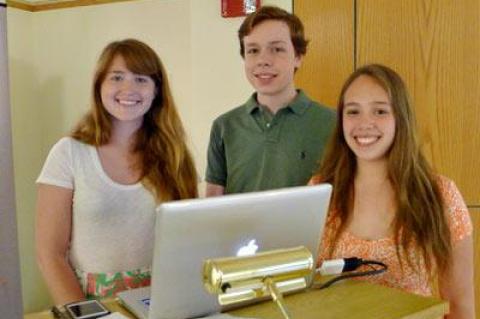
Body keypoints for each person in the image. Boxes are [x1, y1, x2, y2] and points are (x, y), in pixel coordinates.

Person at [35, 39, 198, 305]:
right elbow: (49, 253)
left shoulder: (175, 154)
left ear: (156, 90)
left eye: (141, 79)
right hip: (89, 303)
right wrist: (87, 314)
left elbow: (189, 240)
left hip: (162, 300)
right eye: (117, 77)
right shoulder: (68, 153)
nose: (128, 88)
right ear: (99, 85)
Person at [310, 64, 474, 318]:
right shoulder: (318, 192)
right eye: (353, 111)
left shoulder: (441, 194)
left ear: (401, 117)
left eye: (380, 111)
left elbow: (460, 307)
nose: (365, 123)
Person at [205, 6, 336, 196]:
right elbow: (212, 203)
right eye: (253, 50)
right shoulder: (224, 126)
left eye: (276, 49)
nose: (263, 60)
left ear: (298, 57)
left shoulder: (333, 123)